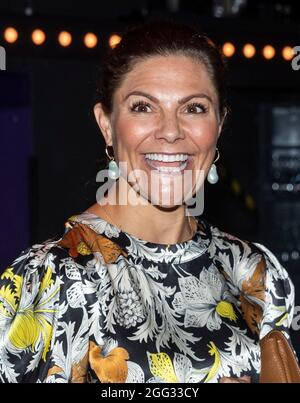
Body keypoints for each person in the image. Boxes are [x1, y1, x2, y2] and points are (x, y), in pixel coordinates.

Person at [0, 20, 295, 384]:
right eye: (143, 107)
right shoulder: (51, 280)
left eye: (194, 108)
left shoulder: (256, 273)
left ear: (219, 126)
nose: (170, 131)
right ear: (106, 124)